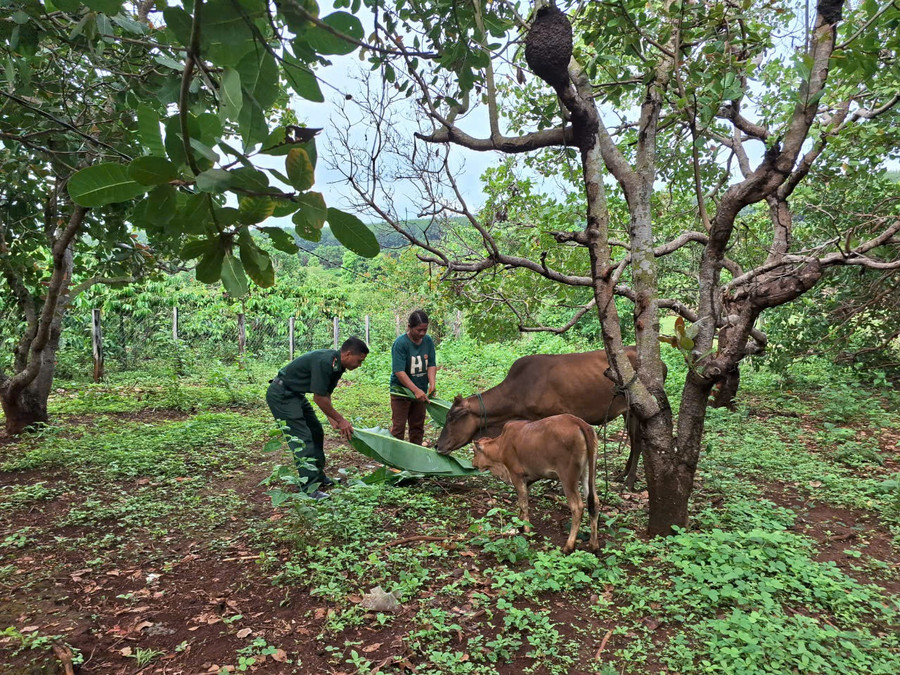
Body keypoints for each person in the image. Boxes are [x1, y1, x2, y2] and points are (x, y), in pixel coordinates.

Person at [267, 336, 369, 499]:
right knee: (302, 438)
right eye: (359, 360)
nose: (359, 365)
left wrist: (332, 418)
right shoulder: (325, 362)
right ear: (348, 354)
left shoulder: (338, 366)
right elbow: (318, 398)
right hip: (282, 395)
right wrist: (341, 420)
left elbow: (325, 394)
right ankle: (308, 488)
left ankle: (318, 476)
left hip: (296, 394)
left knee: (316, 432)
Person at [390, 310, 436, 445]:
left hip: (421, 391)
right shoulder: (401, 343)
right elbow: (399, 371)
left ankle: (415, 456)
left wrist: (432, 383)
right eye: (418, 330)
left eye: (425, 330)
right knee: (398, 427)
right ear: (409, 327)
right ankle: (395, 460)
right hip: (401, 391)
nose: (422, 333)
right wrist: (415, 390)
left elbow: (431, 364)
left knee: (417, 427)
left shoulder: (427, 341)